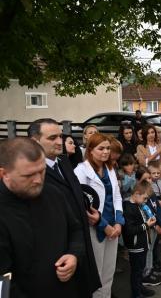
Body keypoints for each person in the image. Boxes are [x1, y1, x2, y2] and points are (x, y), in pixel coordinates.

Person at [0, 138, 83, 297]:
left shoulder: (54, 193)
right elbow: (3, 282)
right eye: (28, 175)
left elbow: (76, 229)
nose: (38, 180)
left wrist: (74, 254)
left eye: (42, 171)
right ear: (4, 174)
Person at [28, 119, 101, 297]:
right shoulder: (31, 174)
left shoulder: (63, 162)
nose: (59, 142)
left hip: (80, 242)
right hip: (59, 253)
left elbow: (75, 193)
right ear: (35, 141)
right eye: (52, 137)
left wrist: (90, 212)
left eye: (60, 136)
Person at [74, 133, 126, 298]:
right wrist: (105, 226)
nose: (105, 152)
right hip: (96, 229)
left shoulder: (110, 168)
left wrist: (118, 222)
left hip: (113, 227)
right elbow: (83, 205)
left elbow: (117, 196)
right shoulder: (81, 171)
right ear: (90, 150)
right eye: (101, 148)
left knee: (109, 273)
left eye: (108, 148)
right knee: (96, 275)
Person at [122, 180, 157, 298]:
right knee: (136, 272)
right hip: (136, 247)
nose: (146, 201)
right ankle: (136, 294)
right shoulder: (128, 208)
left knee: (140, 270)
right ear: (136, 193)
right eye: (145, 198)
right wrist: (146, 225)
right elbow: (129, 230)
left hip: (142, 244)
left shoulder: (138, 205)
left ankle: (140, 287)